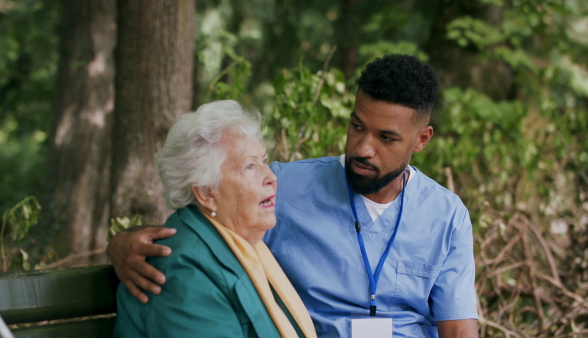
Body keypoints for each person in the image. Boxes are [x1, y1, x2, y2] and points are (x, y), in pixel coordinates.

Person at [108, 54, 479, 337]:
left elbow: (459, 329)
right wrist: (122, 244)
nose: (363, 148)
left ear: (422, 139)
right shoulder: (286, 187)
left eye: (386, 137)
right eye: (356, 127)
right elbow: (210, 228)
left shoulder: (446, 214)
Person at [113, 100, 317, 337]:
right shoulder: (185, 269)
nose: (270, 176)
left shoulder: (241, 242)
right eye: (250, 166)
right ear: (207, 192)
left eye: (263, 161)